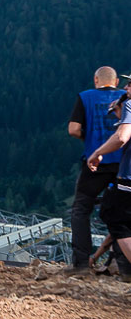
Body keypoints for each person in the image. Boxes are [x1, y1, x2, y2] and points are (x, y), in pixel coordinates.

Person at [67, 67, 131, 274]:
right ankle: (124, 268)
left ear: (96, 80)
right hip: (123, 164)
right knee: (120, 213)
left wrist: (89, 140)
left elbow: (73, 129)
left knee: (81, 209)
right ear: (116, 81)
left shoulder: (85, 97)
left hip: (95, 163)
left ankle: (81, 264)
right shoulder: (125, 97)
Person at [87, 80, 131, 284]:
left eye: (130, 84)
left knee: (114, 216)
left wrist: (97, 152)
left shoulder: (129, 105)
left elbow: (121, 137)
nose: (126, 88)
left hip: (128, 179)